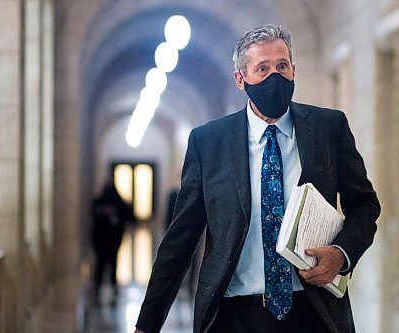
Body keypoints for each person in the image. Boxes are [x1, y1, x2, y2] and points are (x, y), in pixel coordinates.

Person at [135, 24, 380, 333]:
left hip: (313, 311)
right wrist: (147, 324)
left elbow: (365, 205)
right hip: (234, 315)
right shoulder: (208, 143)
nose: (274, 76)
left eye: (282, 66)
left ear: (293, 70)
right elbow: (180, 241)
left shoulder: (329, 128)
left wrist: (341, 254)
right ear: (241, 79)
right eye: (262, 68)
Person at [91, 178, 134, 306]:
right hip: (102, 239)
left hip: (112, 239)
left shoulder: (118, 203)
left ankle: (111, 287)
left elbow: (128, 215)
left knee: (110, 263)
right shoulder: (99, 202)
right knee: (101, 264)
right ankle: (98, 287)